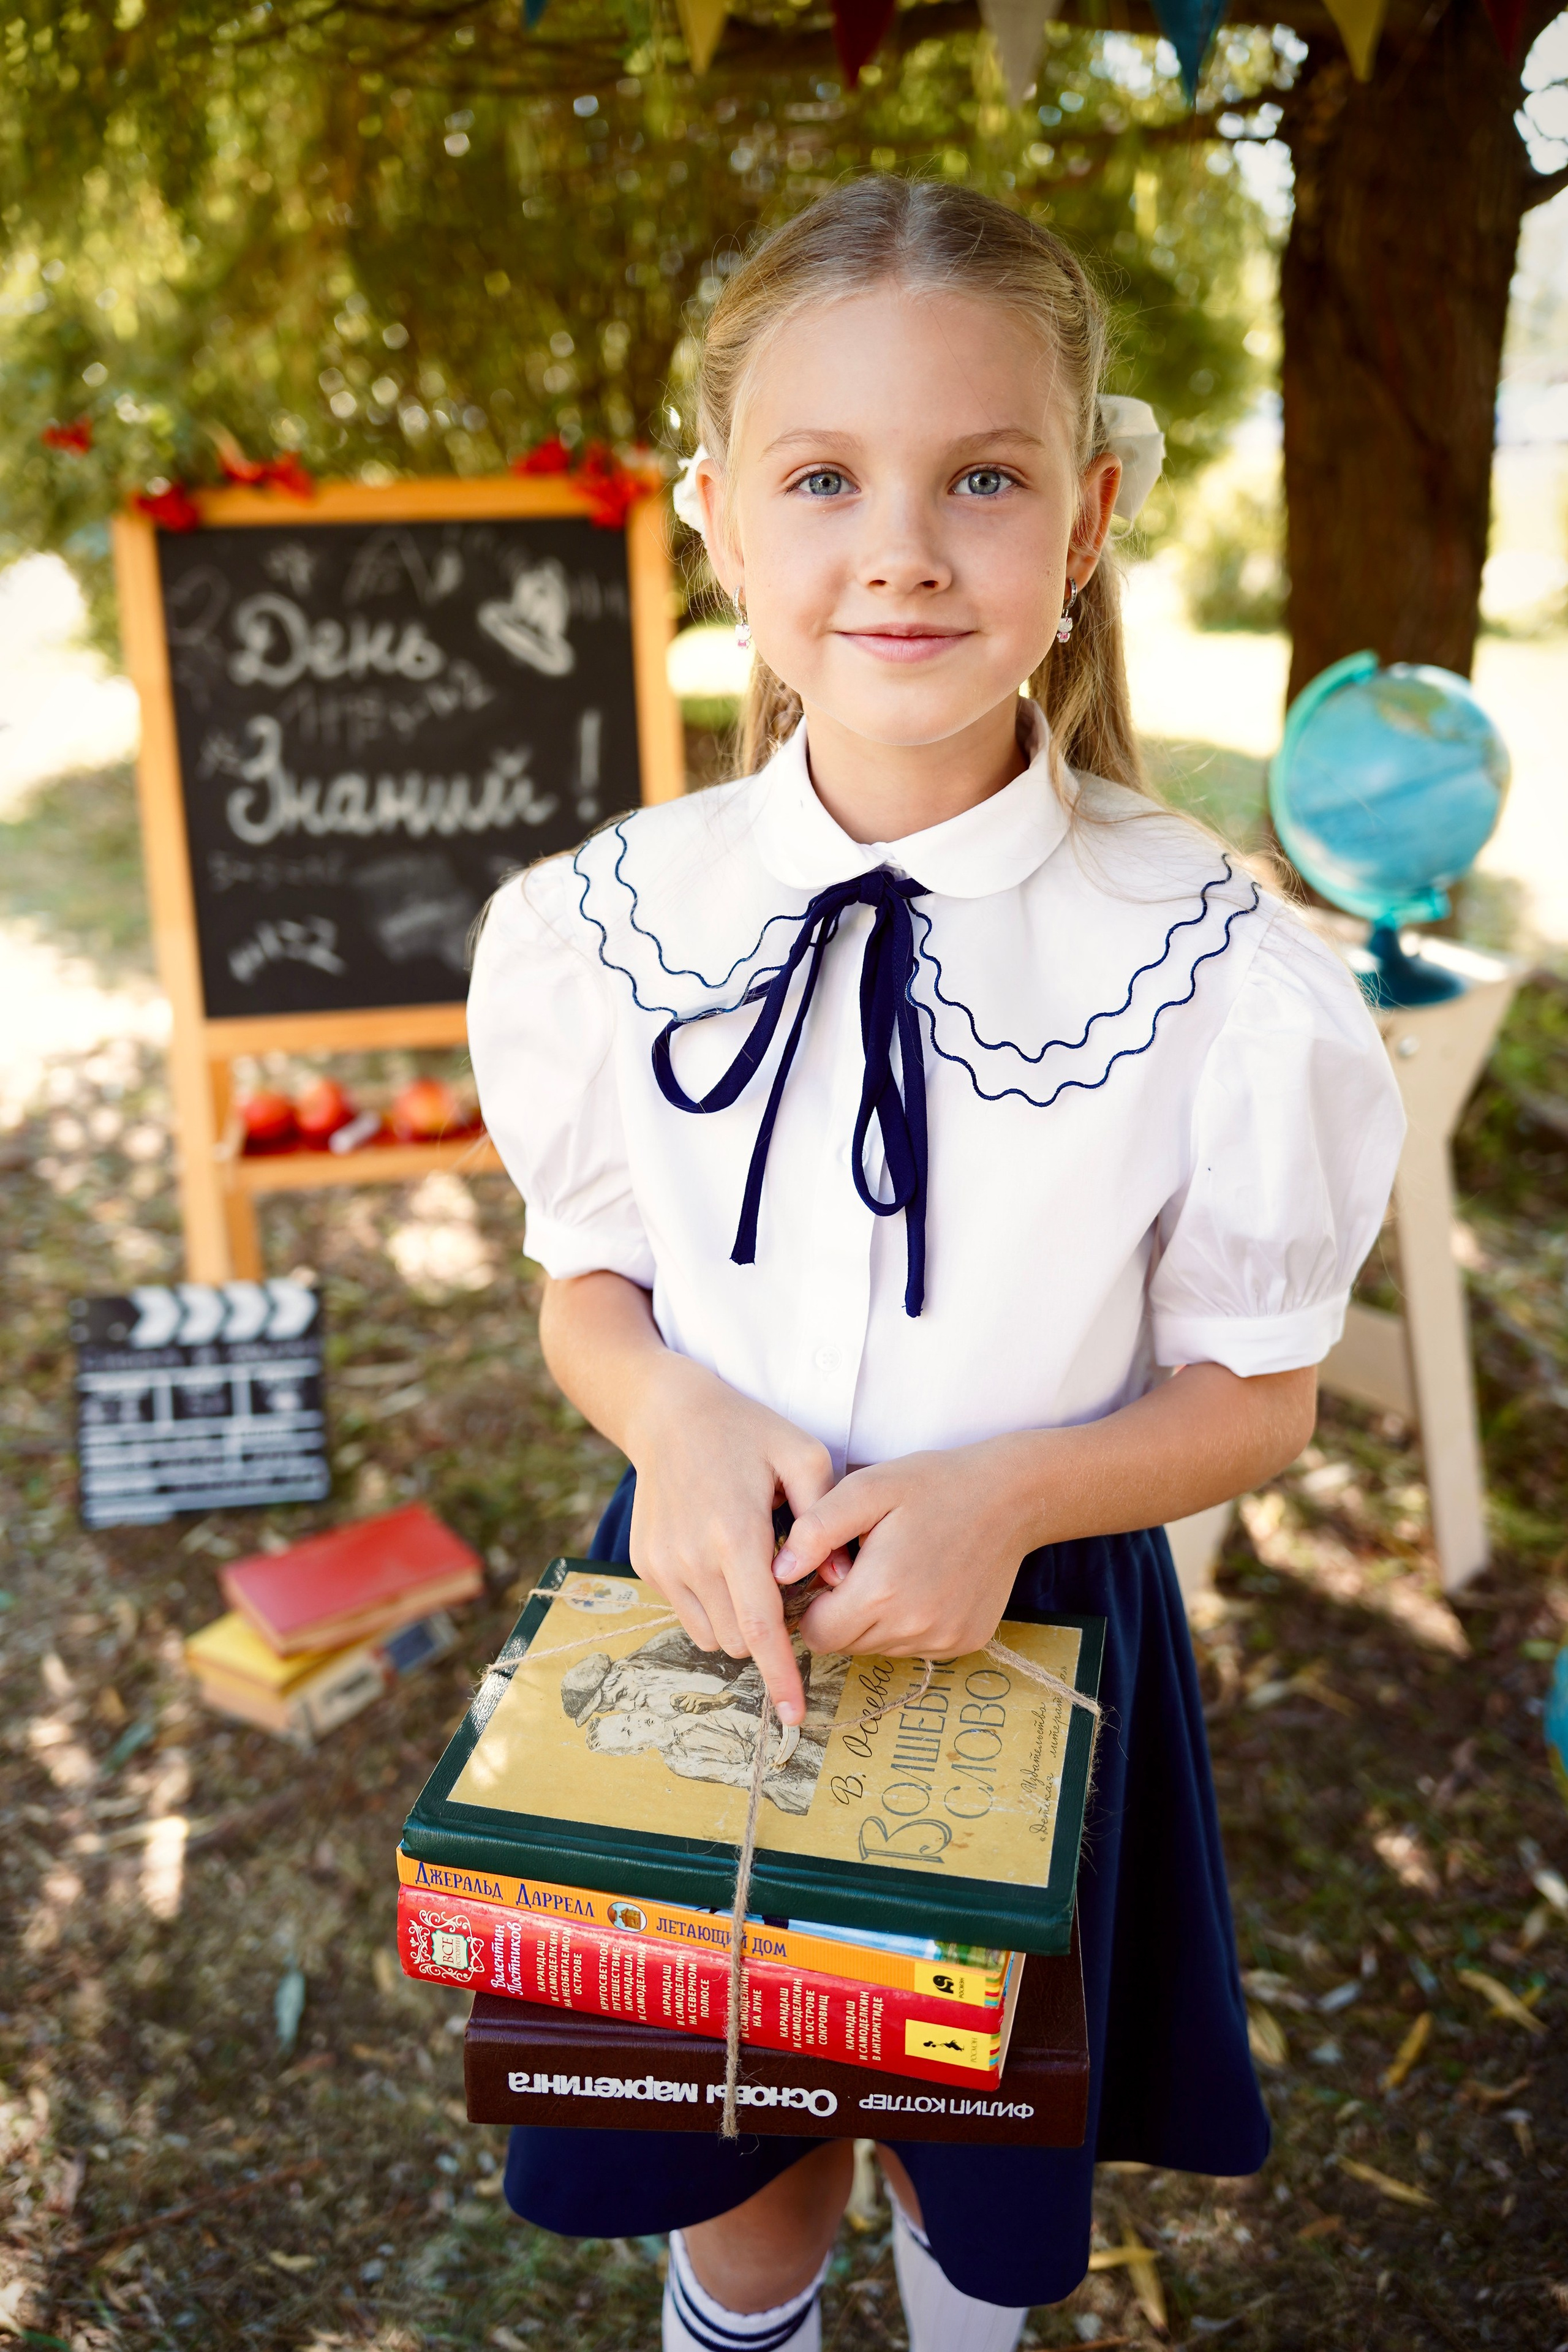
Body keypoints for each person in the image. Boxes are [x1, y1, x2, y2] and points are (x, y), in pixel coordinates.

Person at [467, 175, 1404, 2352]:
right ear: (716, 517)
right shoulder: (608, 923)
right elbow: (589, 1287)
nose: (899, 549)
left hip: (1036, 1635)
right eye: (823, 479)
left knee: (977, 2182)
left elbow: (1257, 1395)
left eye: (979, 478)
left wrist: (1002, 1496)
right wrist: (676, 1413)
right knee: (743, 2175)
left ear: (1081, 525)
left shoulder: (1215, 961)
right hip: (705, 1607)